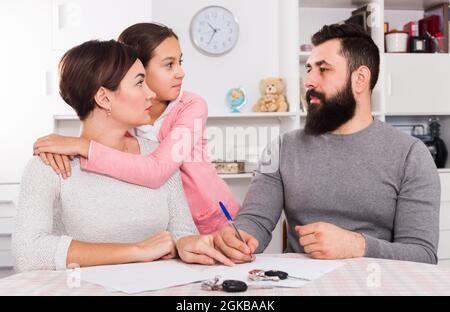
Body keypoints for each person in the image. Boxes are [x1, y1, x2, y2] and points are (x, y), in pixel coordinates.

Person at [214, 23, 440, 264]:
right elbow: (255, 220)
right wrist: (239, 238)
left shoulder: (410, 155)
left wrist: (357, 245)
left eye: (323, 70)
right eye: (309, 69)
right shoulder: (282, 148)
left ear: (360, 79)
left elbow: (422, 254)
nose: (308, 81)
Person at [12, 40, 233, 272]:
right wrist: (136, 251)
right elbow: (28, 253)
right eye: (140, 83)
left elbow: (181, 231)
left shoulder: (157, 154)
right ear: (104, 98)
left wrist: (185, 243)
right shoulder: (50, 164)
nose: (151, 94)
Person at [33, 23, 240, 235]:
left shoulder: (191, 106)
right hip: (164, 226)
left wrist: (81, 146)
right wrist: (56, 148)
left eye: (180, 62)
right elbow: (99, 131)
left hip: (214, 220)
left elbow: (157, 170)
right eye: (169, 65)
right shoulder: (127, 114)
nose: (181, 73)